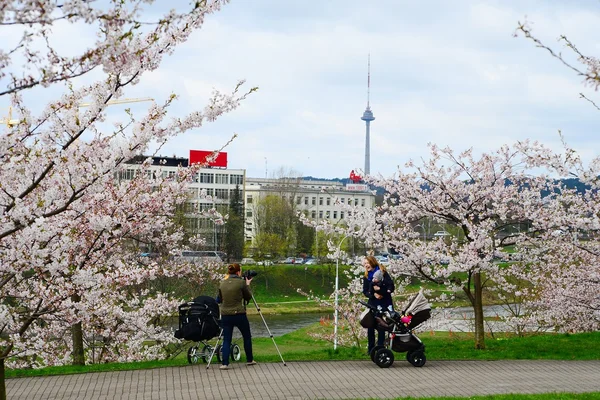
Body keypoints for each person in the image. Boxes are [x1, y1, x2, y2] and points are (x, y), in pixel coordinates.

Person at [217, 263, 257, 370]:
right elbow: (248, 296)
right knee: (246, 336)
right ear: (238, 272)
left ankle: (225, 363)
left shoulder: (222, 283)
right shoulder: (241, 283)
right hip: (239, 313)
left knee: (226, 339)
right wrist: (247, 284)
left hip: (225, 315)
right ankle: (249, 359)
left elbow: (219, 299)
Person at [362, 255, 395, 355]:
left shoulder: (383, 273)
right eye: (365, 263)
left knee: (382, 326)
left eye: (367, 263)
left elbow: (391, 287)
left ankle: (380, 347)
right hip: (373, 303)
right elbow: (365, 291)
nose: (366, 265)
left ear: (372, 262)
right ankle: (371, 349)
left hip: (384, 302)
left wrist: (381, 293)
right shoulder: (366, 276)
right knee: (370, 326)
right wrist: (373, 295)